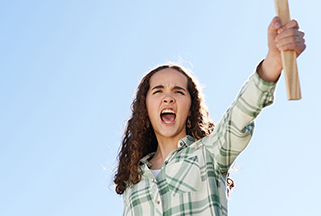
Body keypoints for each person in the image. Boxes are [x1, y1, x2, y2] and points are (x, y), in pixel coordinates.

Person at [114, 17, 306, 216]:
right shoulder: (133, 184)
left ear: (190, 108)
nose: (168, 98)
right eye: (158, 91)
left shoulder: (208, 154)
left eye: (179, 91)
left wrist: (272, 63)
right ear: (145, 107)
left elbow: (238, 117)